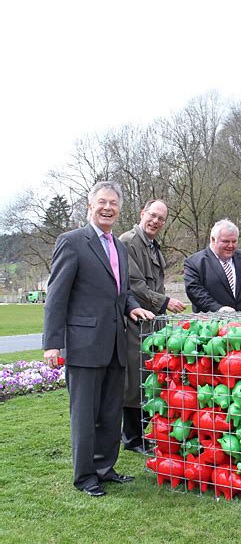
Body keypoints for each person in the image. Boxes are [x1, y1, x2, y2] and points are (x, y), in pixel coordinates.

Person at [43, 181, 154, 497]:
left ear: (119, 209)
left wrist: (133, 308)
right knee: (85, 415)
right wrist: (52, 343)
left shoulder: (119, 246)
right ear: (90, 206)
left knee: (109, 412)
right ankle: (85, 476)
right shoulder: (72, 242)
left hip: (115, 344)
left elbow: (122, 292)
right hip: (84, 346)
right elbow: (56, 296)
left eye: (113, 203)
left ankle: (105, 468)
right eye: (102, 202)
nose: (108, 208)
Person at [119, 199, 186, 454]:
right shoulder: (128, 241)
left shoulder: (153, 247)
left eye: (161, 219)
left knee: (147, 378)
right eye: (152, 215)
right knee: (134, 379)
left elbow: (156, 284)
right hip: (134, 319)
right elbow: (134, 284)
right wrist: (165, 302)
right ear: (141, 214)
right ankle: (133, 438)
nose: (156, 221)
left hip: (151, 322)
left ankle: (144, 434)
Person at [184, 219, 241, 313]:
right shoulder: (195, 263)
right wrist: (217, 308)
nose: (231, 246)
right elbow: (195, 292)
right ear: (213, 239)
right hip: (212, 323)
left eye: (234, 241)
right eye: (226, 241)